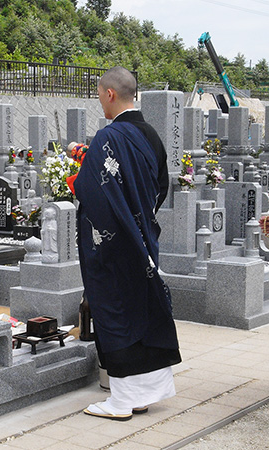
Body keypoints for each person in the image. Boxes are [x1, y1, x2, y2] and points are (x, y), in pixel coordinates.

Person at [75, 66, 180, 421]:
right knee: (144, 310)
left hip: (113, 245)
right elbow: (160, 187)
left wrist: (79, 182)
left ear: (109, 94)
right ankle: (144, 394)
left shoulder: (110, 137)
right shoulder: (150, 135)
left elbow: (94, 192)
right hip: (142, 238)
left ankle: (120, 401)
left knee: (115, 313)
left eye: (99, 96)